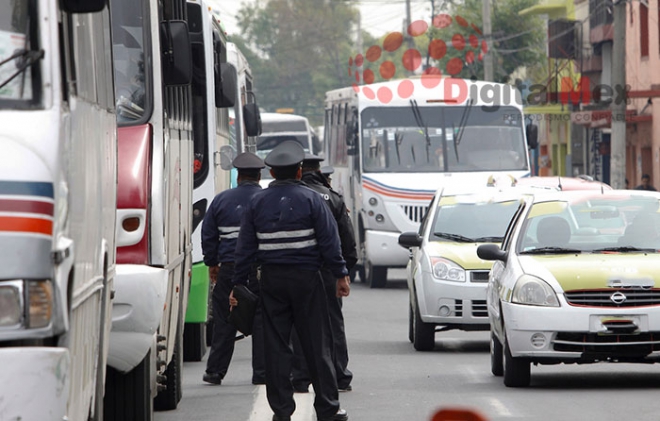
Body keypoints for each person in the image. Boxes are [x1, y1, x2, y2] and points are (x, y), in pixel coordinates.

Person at [231, 141, 351, 421]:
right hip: (308, 281)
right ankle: (328, 409)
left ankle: (282, 411)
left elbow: (244, 247)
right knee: (316, 345)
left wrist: (237, 285)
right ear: (299, 172)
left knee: (275, 347)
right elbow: (329, 242)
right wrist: (341, 274)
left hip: (271, 281)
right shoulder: (311, 200)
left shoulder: (257, 202)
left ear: (271, 173)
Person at [291, 154, 357, 394]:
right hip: (329, 271)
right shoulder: (333, 198)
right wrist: (344, 272)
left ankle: (299, 377)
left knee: (298, 324)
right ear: (318, 171)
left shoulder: (290, 196)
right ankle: (340, 376)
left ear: (299, 171)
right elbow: (348, 241)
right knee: (332, 324)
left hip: (296, 270)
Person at [200, 152, 266, 386]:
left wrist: (212, 263)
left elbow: (208, 234)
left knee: (224, 318)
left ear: (238, 175)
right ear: (259, 175)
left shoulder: (221, 200)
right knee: (262, 320)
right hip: (260, 271)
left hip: (228, 268)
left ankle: (215, 372)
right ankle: (262, 373)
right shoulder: (266, 199)